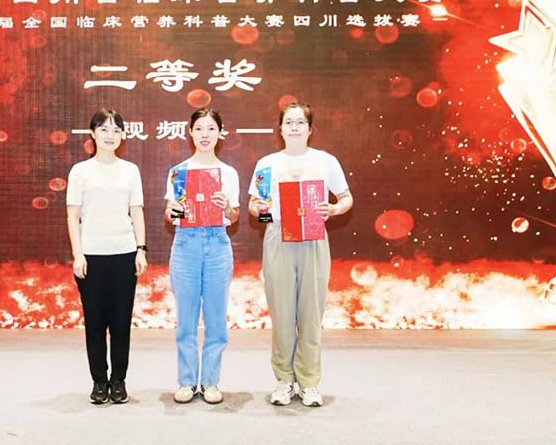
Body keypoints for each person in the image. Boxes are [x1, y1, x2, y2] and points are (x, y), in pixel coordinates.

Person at [248, 103, 353, 407]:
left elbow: (346, 198)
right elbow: (255, 207)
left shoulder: (325, 161)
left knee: (310, 313)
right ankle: (284, 380)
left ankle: (308, 382)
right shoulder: (267, 163)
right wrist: (266, 215)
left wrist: (333, 209)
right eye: (289, 123)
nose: (294, 128)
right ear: (280, 129)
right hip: (278, 237)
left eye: (300, 123)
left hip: (314, 238)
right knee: (282, 313)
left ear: (310, 129)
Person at [66, 108, 148, 405]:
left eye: (116, 130)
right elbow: (73, 215)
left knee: (121, 323)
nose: (110, 135)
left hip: (124, 254)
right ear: (93, 133)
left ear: (123, 135)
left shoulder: (130, 170)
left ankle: (119, 381)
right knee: (95, 323)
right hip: (91, 256)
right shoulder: (80, 171)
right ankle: (99, 381)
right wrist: (78, 254)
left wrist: (141, 248)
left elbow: (136, 211)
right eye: (104, 129)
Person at [164, 108, 240, 404]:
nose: (205, 135)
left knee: (216, 318)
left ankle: (210, 381)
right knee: (186, 318)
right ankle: (186, 381)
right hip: (186, 244)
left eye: (211, 129)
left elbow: (234, 217)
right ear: (191, 133)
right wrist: (173, 212)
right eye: (199, 129)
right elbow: (170, 213)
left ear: (220, 133)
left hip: (217, 244)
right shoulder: (178, 172)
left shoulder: (228, 173)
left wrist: (226, 207)